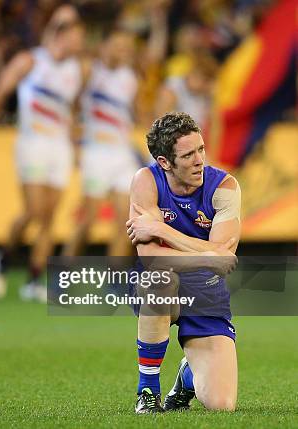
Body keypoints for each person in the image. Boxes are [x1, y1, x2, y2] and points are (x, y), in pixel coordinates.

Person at [126, 112, 241, 413]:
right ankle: (147, 392)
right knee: (159, 280)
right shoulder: (146, 181)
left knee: (221, 404)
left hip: (206, 294)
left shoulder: (225, 187)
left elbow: (225, 258)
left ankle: (186, 375)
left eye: (201, 149)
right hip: (164, 284)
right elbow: (151, 260)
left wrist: (162, 230)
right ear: (165, 162)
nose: (200, 160)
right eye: (188, 155)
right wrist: (209, 256)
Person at [0, 4, 86, 301]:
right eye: (76, 35)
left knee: (50, 217)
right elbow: (1, 90)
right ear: (61, 34)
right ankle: (2, 255)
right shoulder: (31, 60)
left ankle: (34, 278)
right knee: (34, 210)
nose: (81, 43)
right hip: (32, 143)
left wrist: (75, 142)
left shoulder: (75, 70)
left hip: (58, 146)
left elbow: (72, 109)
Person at [63, 30, 141, 258]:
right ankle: (62, 273)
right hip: (95, 154)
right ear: (104, 46)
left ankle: (115, 281)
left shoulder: (131, 78)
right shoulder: (89, 71)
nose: (123, 51)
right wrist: (74, 143)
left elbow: (136, 114)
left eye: (126, 47)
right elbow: (71, 106)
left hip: (122, 155)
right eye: (117, 46)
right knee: (88, 221)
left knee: (126, 222)